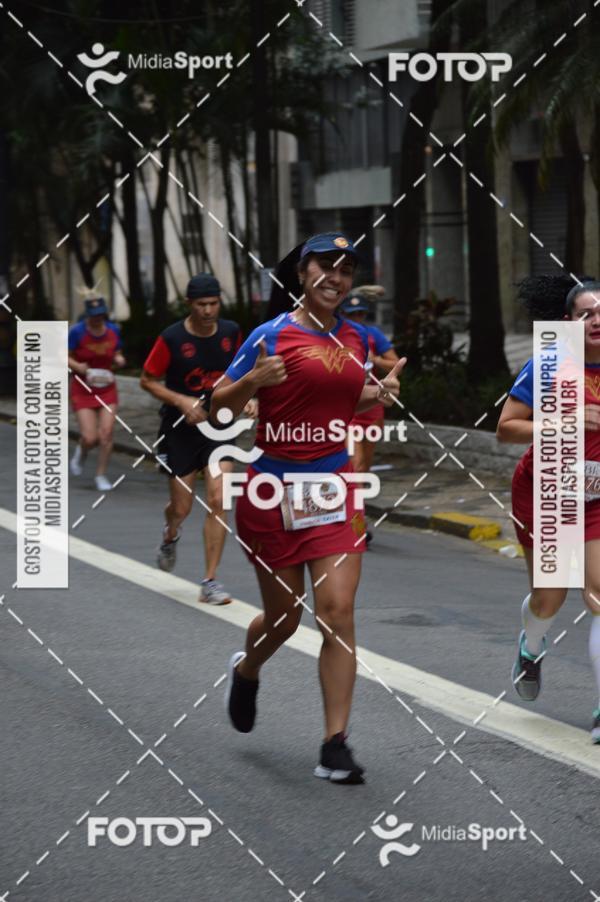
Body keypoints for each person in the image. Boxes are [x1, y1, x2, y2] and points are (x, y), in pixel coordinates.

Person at [211, 233, 406, 783]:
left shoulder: (356, 337)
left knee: (337, 614)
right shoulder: (270, 335)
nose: (335, 278)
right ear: (302, 273)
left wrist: (378, 392)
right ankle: (247, 669)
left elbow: (340, 395)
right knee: (284, 618)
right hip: (273, 490)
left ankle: (334, 745)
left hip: (334, 487)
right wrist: (253, 380)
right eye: (325, 266)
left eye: (345, 270)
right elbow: (216, 407)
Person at [497, 276, 600, 742]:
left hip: (596, 497)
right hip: (546, 494)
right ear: (568, 322)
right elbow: (507, 428)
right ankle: (532, 645)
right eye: (586, 314)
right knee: (549, 598)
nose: (596, 321)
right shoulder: (550, 364)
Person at [140, 273, 244, 606]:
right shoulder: (172, 338)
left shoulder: (231, 332)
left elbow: (244, 371)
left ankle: (210, 582)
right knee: (181, 507)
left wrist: (249, 396)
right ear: (189, 304)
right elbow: (147, 380)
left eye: (213, 303)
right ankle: (170, 534)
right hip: (180, 430)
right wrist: (182, 401)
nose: (208, 311)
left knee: (218, 498)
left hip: (219, 427)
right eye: (201, 304)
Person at [339, 291, 399, 545]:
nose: (357, 318)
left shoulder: (373, 335)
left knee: (363, 468)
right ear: (342, 314)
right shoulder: (334, 335)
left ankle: (354, 517)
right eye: (352, 314)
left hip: (372, 408)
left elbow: (394, 363)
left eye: (361, 314)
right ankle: (353, 523)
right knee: (356, 462)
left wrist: (375, 360)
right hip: (347, 408)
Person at [68, 296, 125, 492]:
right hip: (83, 388)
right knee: (90, 438)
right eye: (93, 315)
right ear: (87, 315)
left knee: (106, 434)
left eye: (100, 315)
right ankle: (82, 450)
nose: (97, 319)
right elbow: (64, 356)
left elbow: (117, 351)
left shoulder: (113, 330)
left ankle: (100, 475)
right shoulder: (77, 332)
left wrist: (119, 359)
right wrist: (78, 366)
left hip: (107, 387)